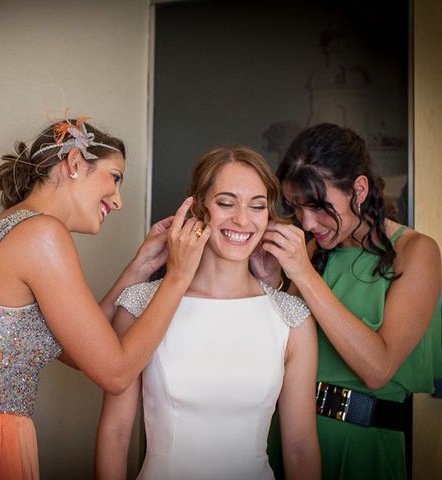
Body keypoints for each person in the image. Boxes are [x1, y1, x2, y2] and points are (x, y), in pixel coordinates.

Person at [0, 116, 211, 480]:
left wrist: (139, 267)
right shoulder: (43, 234)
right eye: (115, 177)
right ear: (74, 163)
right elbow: (117, 373)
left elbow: (78, 351)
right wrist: (179, 276)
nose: (119, 201)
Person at [95, 145, 320, 480]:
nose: (242, 219)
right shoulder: (140, 305)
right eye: (226, 203)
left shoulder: (292, 318)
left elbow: (301, 446)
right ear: (198, 208)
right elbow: (115, 434)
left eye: (257, 206)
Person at [259, 123, 442, 480]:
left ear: (359, 189)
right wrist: (269, 284)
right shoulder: (314, 251)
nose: (308, 223)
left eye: (318, 207)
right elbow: (278, 351)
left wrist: (304, 275)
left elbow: (378, 368)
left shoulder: (417, 251)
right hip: (290, 436)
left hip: (363, 447)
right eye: (298, 208)